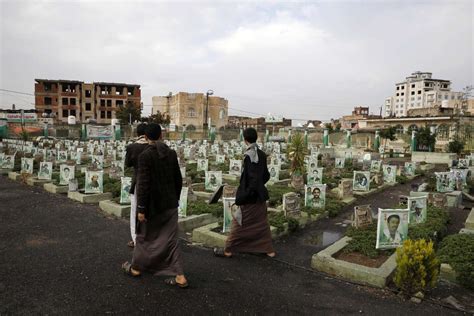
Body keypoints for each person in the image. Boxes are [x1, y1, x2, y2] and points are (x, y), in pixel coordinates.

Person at [122, 123, 187, 288]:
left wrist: (141, 209)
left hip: (152, 206)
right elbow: (178, 180)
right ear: (161, 135)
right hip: (170, 204)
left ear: (145, 137)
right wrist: (175, 199)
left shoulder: (145, 156)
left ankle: (136, 268)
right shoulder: (171, 154)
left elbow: (143, 185)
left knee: (144, 237)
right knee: (171, 240)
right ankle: (180, 276)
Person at [214, 127, 275, 258]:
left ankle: (228, 250)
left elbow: (252, 178)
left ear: (244, 139)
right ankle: (269, 251)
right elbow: (266, 175)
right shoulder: (262, 154)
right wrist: (259, 186)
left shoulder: (249, 156)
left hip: (250, 196)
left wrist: (246, 193)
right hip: (260, 195)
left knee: (238, 223)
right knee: (262, 224)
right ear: (256, 138)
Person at [124, 123, 148, 248]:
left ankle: (135, 239)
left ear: (137, 133)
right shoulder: (152, 146)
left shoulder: (132, 147)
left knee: (135, 211)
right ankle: (150, 238)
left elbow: (127, 164)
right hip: (152, 183)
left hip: (138, 181)